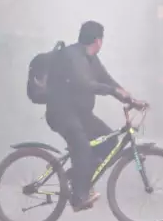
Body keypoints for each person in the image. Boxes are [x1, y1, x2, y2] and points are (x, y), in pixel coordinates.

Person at [45, 20, 147, 210]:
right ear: (98, 41)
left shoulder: (91, 59)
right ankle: (79, 197)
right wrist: (113, 92)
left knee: (109, 142)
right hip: (61, 113)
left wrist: (131, 100)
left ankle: (79, 179)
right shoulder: (73, 56)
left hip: (80, 114)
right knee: (82, 147)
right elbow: (85, 84)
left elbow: (107, 80)